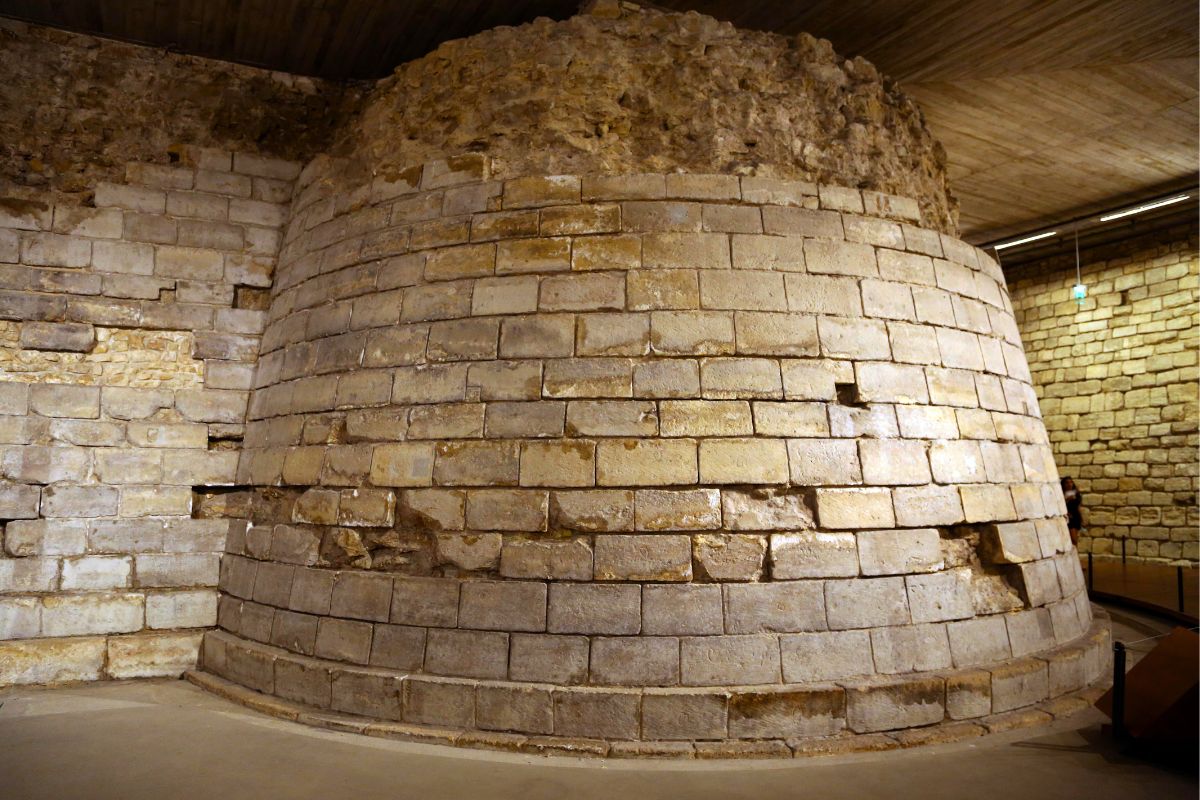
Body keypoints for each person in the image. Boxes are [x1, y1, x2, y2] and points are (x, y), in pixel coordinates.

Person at [1061, 477, 1083, 545]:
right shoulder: (1061, 494)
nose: (1069, 484)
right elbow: (1059, 505)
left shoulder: (1076, 493)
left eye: (1071, 482)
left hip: (1076, 517)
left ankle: (1075, 554)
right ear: (1063, 484)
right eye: (1067, 482)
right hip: (1068, 518)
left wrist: (1082, 517)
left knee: (1075, 539)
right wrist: (1067, 499)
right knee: (1073, 540)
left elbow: (1078, 506)